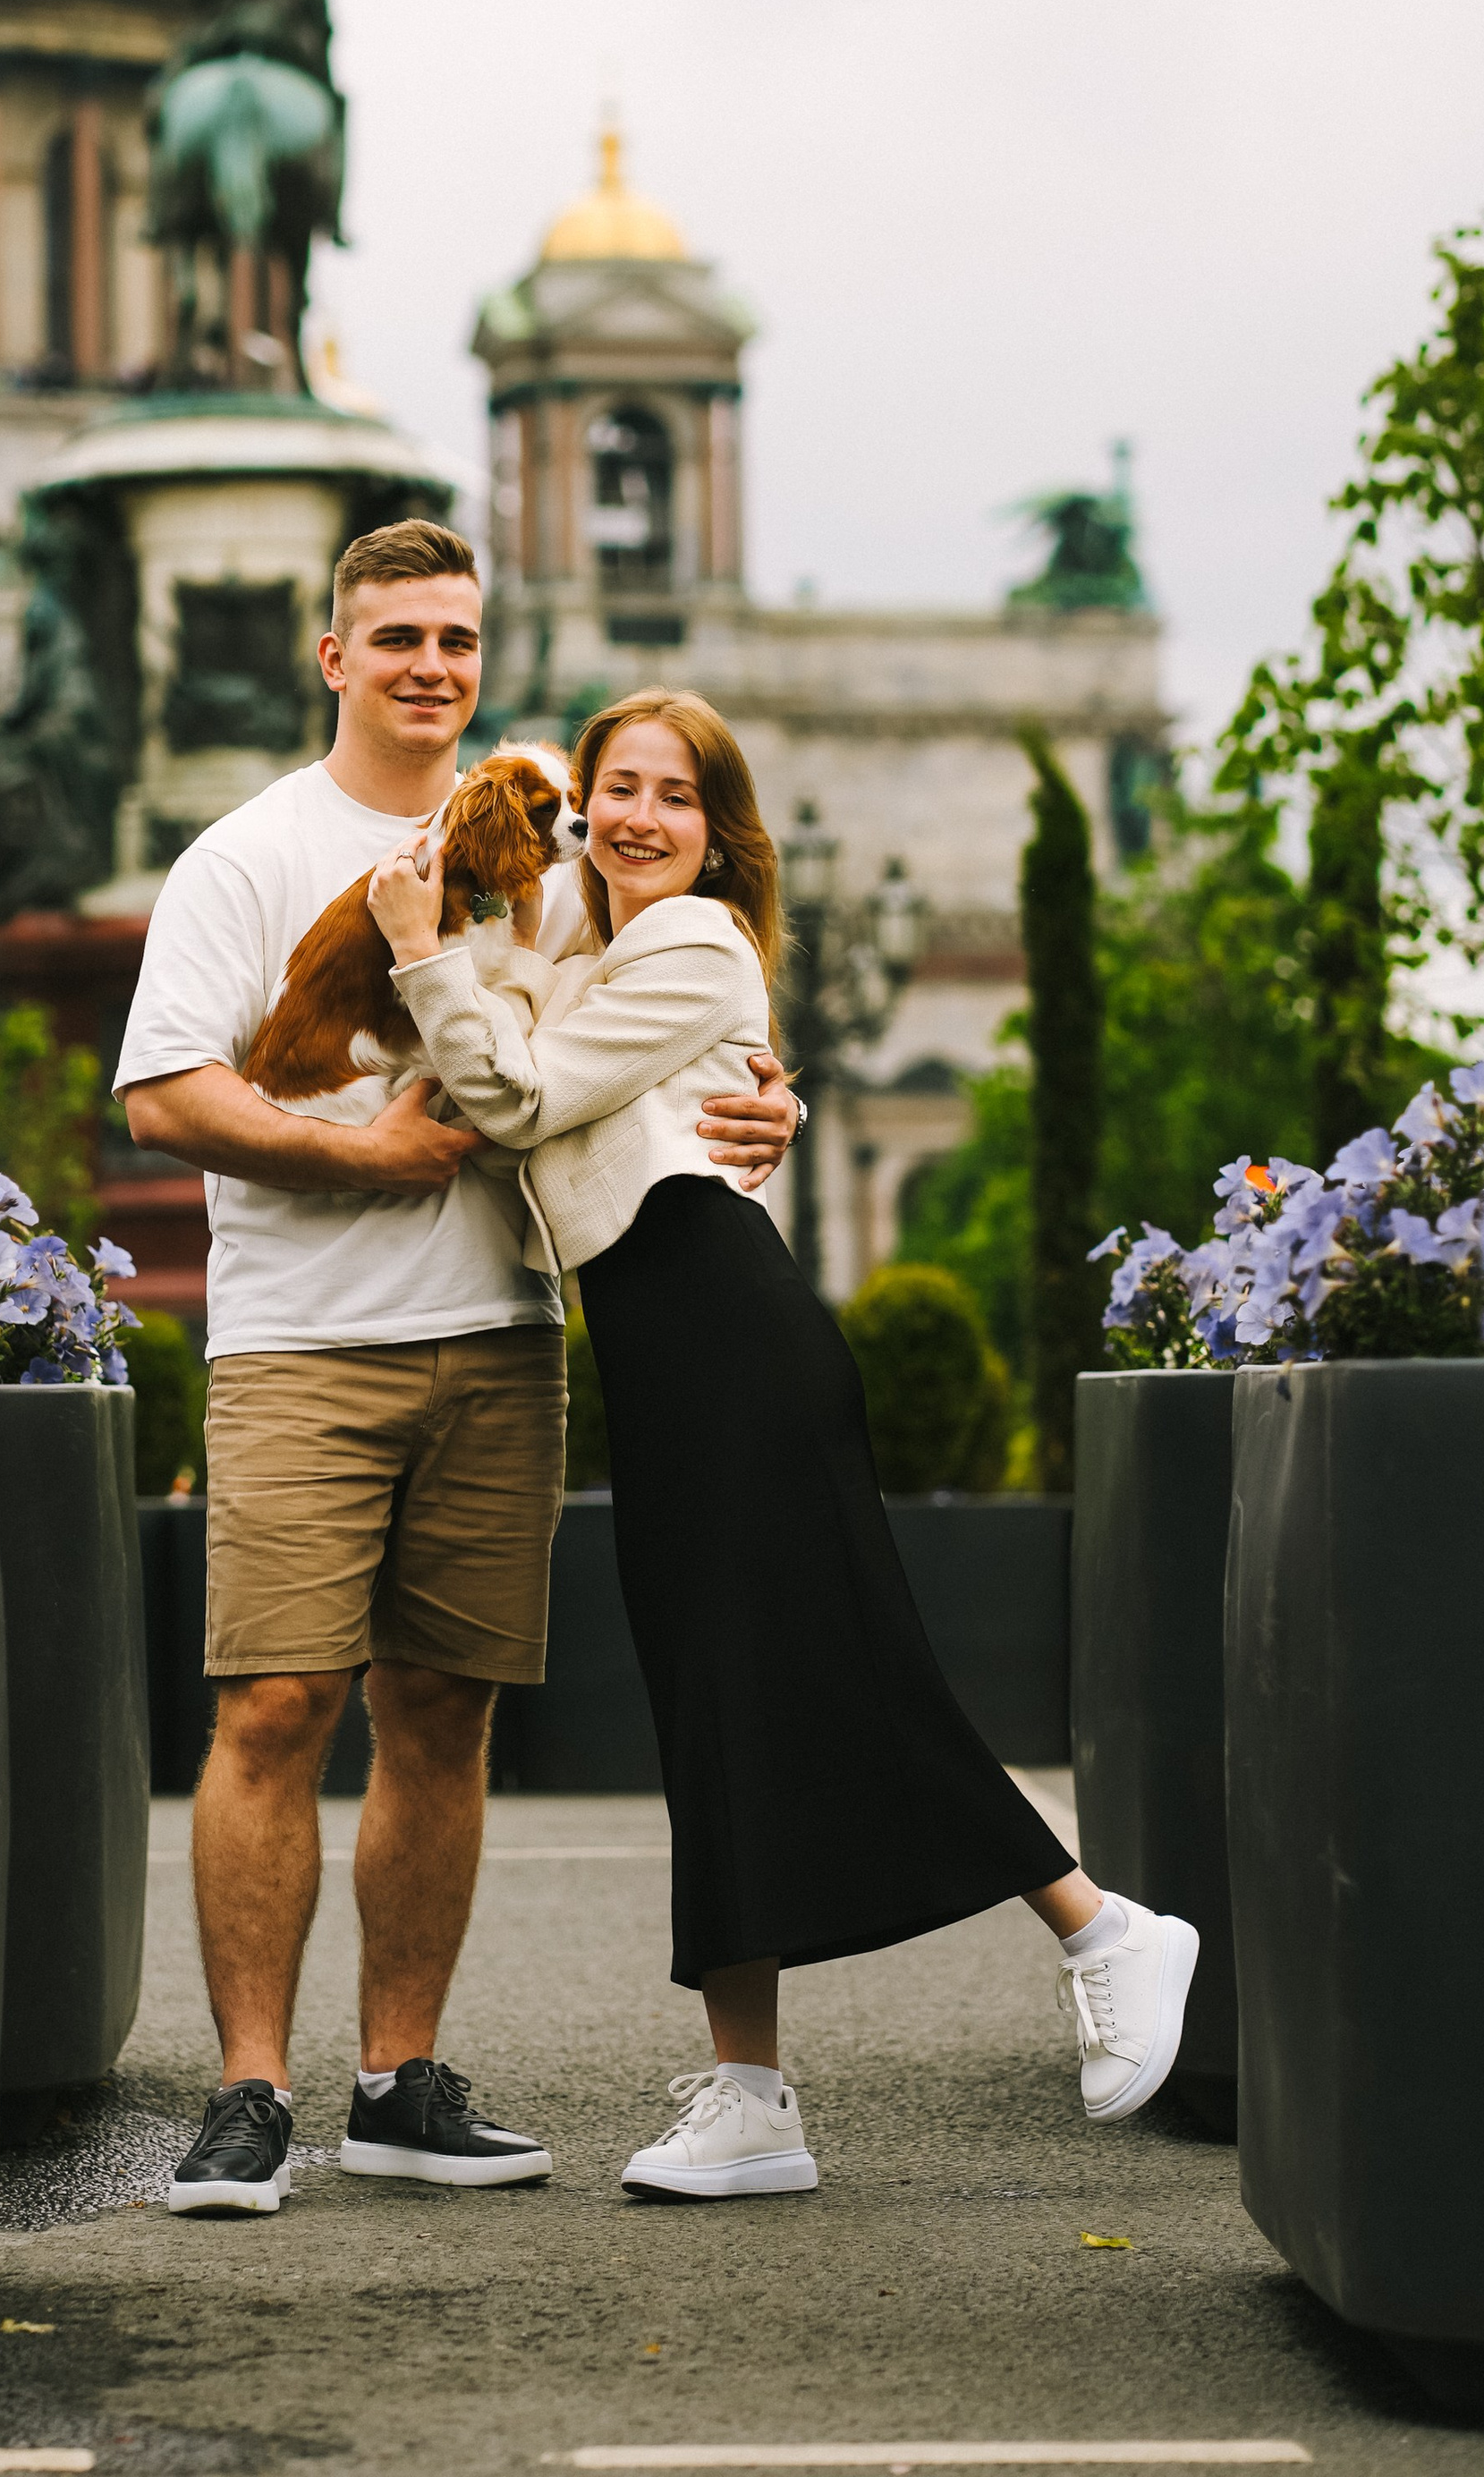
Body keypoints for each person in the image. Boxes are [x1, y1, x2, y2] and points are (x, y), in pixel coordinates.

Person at [367, 683, 1199, 2203]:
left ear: (720, 831)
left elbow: (516, 1089)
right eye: (610, 789)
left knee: (843, 1665)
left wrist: (427, 947)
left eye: (672, 797)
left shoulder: (688, 944)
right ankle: (751, 2096)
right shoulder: (601, 946)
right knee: (717, 1712)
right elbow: (522, 1042)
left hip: (732, 1344)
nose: (630, 817)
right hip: (669, 1359)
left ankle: (1102, 1926)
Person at [114, 527, 801, 2216]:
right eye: (396, 636)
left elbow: (631, 1044)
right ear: (333, 660)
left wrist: (767, 1103)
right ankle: (249, 2094)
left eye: (457, 639)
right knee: (275, 1705)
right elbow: (161, 1099)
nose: (430, 663)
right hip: (305, 1342)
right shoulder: (247, 854)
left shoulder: (556, 864)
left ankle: (397, 2085)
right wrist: (367, 1158)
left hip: (503, 1334)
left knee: (444, 1714)